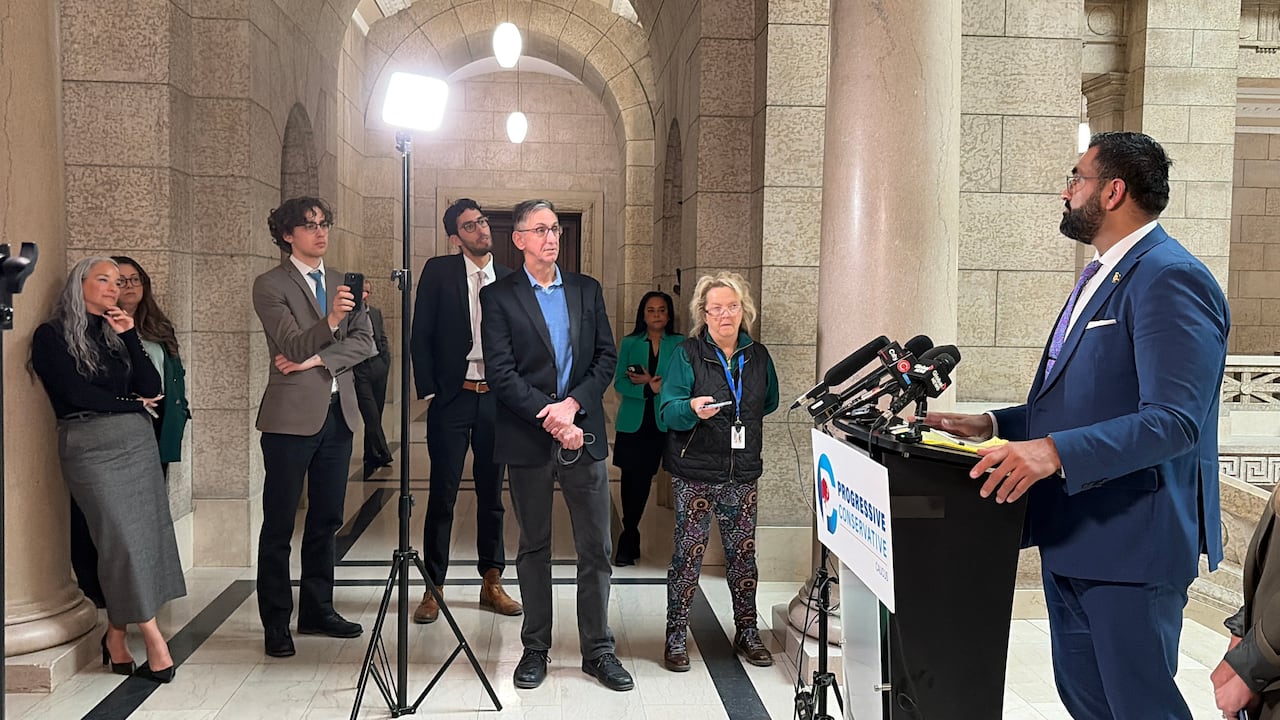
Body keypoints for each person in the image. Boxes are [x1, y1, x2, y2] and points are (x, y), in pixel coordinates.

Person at [926, 132, 1229, 720]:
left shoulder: (1168, 276)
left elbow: (1174, 421)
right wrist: (990, 424)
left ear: (1113, 191)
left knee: (1139, 708)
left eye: (1077, 179)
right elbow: (1079, 408)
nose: (1066, 192)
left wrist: (1051, 452)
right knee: (1088, 704)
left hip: (1132, 544)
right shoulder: (1100, 275)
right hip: (1076, 532)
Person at [480, 199, 631, 691]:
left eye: (556, 229)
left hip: (582, 432)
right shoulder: (499, 297)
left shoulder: (586, 290)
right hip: (528, 437)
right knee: (534, 547)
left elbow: (605, 358)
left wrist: (573, 408)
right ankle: (535, 649)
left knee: (596, 547)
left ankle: (598, 650)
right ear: (518, 239)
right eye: (540, 229)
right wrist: (551, 415)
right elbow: (501, 374)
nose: (552, 237)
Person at [31, 257, 186, 683]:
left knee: (144, 539)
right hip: (89, 446)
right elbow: (75, 393)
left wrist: (131, 337)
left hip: (136, 443)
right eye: (103, 279)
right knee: (120, 542)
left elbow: (152, 387)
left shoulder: (115, 332)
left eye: (118, 282)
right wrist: (131, 404)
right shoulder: (52, 335)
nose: (113, 288)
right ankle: (154, 639)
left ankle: (116, 636)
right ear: (78, 283)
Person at [253, 196, 375, 658]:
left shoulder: (344, 281)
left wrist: (319, 358)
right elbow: (289, 341)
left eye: (324, 224)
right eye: (308, 226)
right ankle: (276, 622)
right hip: (288, 419)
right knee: (280, 523)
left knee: (327, 519)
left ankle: (318, 609)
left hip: (338, 415)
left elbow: (366, 343)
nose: (320, 233)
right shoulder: (270, 285)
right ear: (287, 234)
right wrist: (332, 320)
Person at [657, 271, 779, 673]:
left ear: (744, 310)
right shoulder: (687, 354)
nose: (725, 315)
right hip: (694, 472)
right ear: (703, 314)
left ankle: (747, 631)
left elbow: (769, 402)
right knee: (687, 557)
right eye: (716, 309)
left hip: (742, 474)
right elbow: (666, 412)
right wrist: (691, 409)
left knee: (743, 558)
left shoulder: (758, 356)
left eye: (732, 306)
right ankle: (676, 634)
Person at [409, 198, 521, 624]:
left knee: (493, 495)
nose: (481, 230)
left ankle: (492, 581)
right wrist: (432, 393)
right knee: (443, 494)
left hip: (496, 399)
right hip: (453, 397)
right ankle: (433, 587)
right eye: (470, 226)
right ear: (455, 237)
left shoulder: (511, 278)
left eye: (483, 222)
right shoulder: (439, 272)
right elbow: (421, 334)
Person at [611, 291, 682, 566]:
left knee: (680, 480)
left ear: (669, 315)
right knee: (633, 484)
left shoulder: (680, 344)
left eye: (661, 310)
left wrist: (655, 384)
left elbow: (683, 381)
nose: (656, 315)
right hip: (634, 422)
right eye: (651, 310)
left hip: (668, 420)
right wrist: (648, 387)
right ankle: (629, 537)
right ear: (643, 314)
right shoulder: (630, 343)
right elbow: (619, 382)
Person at [353, 280, 392, 478]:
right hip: (360, 370)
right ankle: (384, 452)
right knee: (371, 414)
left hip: (378, 365)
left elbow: (382, 337)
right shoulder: (349, 315)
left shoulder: (375, 313)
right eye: (361, 291)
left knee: (377, 410)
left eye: (366, 291)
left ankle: (370, 453)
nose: (364, 295)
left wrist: (386, 360)